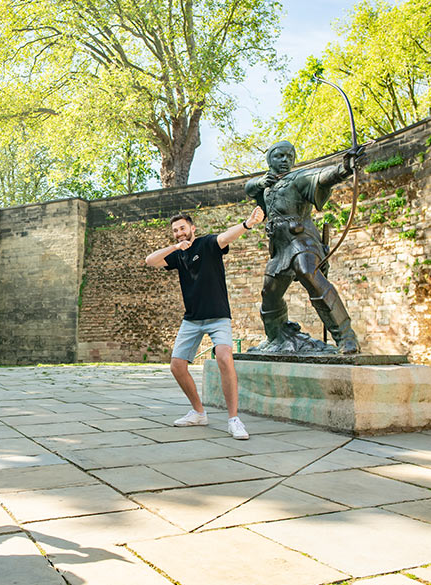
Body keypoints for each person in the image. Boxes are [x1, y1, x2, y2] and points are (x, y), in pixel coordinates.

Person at [145, 208, 265, 439]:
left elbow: (225, 237)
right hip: (192, 319)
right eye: (175, 230)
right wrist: (175, 248)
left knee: (223, 357)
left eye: (183, 228)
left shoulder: (207, 244)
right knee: (177, 366)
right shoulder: (177, 254)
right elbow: (150, 260)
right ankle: (199, 412)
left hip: (218, 316)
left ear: (192, 229)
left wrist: (248, 223)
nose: (179, 233)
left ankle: (233, 419)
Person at [244, 140, 363, 354]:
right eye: (279, 156)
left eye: (289, 157)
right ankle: (276, 336)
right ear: (269, 159)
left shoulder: (299, 178)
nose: (285, 160)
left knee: (308, 273)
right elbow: (249, 188)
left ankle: (346, 337)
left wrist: (344, 168)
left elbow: (323, 176)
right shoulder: (266, 186)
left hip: (302, 240)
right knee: (269, 293)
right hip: (279, 247)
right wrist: (263, 181)